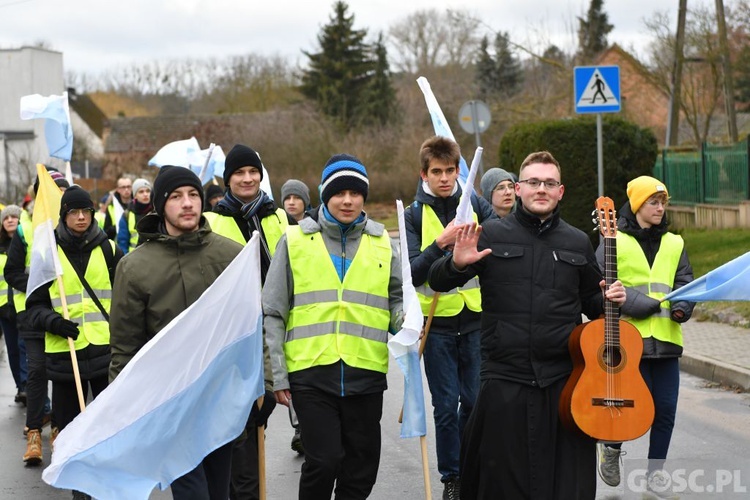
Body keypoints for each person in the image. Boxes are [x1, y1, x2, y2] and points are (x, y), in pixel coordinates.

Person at [427, 150, 626, 499]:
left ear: (560, 191)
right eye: (533, 182)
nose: (541, 189)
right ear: (518, 189)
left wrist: (611, 302)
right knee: (499, 484)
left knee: (565, 486)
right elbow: (437, 281)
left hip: (563, 384)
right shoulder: (490, 235)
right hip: (505, 381)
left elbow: (594, 305)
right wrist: (455, 265)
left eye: (549, 183)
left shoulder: (577, 242)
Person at [264, 154, 403, 500]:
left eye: (356, 193)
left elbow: (397, 298)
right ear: (325, 195)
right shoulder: (294, 241)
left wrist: (407, 325)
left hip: (366, 371)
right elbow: (272, 311)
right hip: (311, 373)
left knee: (362, 468)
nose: (348, 200)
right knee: (324, 461)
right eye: (339, 192)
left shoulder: (382, 242)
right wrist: (277, 375)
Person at [109, 166, 244, 499]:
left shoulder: (232, 256)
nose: (188, 204)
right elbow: (126, 345)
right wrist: (124, 404)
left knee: (218, 490)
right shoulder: (135, 267)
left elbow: (249, 325)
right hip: (169, 402)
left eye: (194, 195)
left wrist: (263, 386)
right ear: (159, 205)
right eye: (176, 197)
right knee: (192, 492)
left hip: (219, 398)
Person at [403, 136, 494, 499]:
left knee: (473, 402)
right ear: (423, 174)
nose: (444, 178)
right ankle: (451, 477)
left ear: (459, 171)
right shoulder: (412, 215)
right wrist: (440, 244)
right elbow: (411, 273)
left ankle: (472, 467)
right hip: (435, 325)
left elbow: (499, 243)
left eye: (450, 171)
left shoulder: (474, 202)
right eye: (436, 172)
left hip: (474, 320)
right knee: (445, 405)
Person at [595, 176, 694, 495]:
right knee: (627, 407)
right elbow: (600, 285)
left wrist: (681, 307)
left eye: (663, 202)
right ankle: (611, 449)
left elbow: (685, 284)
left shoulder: (675, 243)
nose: (660, 208)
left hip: (667, 341)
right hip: (629, 343)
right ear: (638, 205)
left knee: (665, 411)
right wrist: (646, 306)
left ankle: (655, 473)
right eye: (653, 202)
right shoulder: (613, 240)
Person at [204, 144, 289, 499]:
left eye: (252, 172)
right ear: (228, 180)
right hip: (233, 335)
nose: (247, 178)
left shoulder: (278, 217)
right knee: (239, 427)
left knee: (259, 418)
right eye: (239, 173)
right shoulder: (213, 221)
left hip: (272, 332)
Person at [25, 186, 122, 467]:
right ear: (63, 216)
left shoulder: (109, 249)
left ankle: (105, 479)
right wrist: (53, 321)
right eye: (74, 212)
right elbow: (34, 307)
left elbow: (126, 296)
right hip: (66, 355)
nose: (81, 217)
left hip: (104, 351)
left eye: (86, 212)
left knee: (108, 423)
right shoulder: (48, 253)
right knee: (68, 430)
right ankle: (77, 484)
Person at [4, 167, 69, 464]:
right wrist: (36, 286)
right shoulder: (25, 228)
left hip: (61, 314)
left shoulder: (70, 227)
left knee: (62, 374)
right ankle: (33, 433)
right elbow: (12, 272)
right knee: (38, 371)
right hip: (31, 313)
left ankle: (58, 429)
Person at [279, 178, 313, 454]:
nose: (291, 202)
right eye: (287, 198)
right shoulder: (279, 226)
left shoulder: (313, 229)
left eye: (296, 197)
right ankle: (300, 427)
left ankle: (305, 427)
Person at [1, 205, 27, 405]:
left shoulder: (25, 244)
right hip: (4, 308)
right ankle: (20, 386)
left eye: (14, 216)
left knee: (25, 346)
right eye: (6, 217)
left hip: (23, 305)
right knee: (13, 350)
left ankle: (28, 385)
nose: (10, 220)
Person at [116, 178, 153, 254]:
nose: (145, 194)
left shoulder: (158, 212)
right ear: (135, 195)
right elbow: (122, 242)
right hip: (133, 259)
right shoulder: (127, 215)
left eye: (148, 191)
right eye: (141, 192)